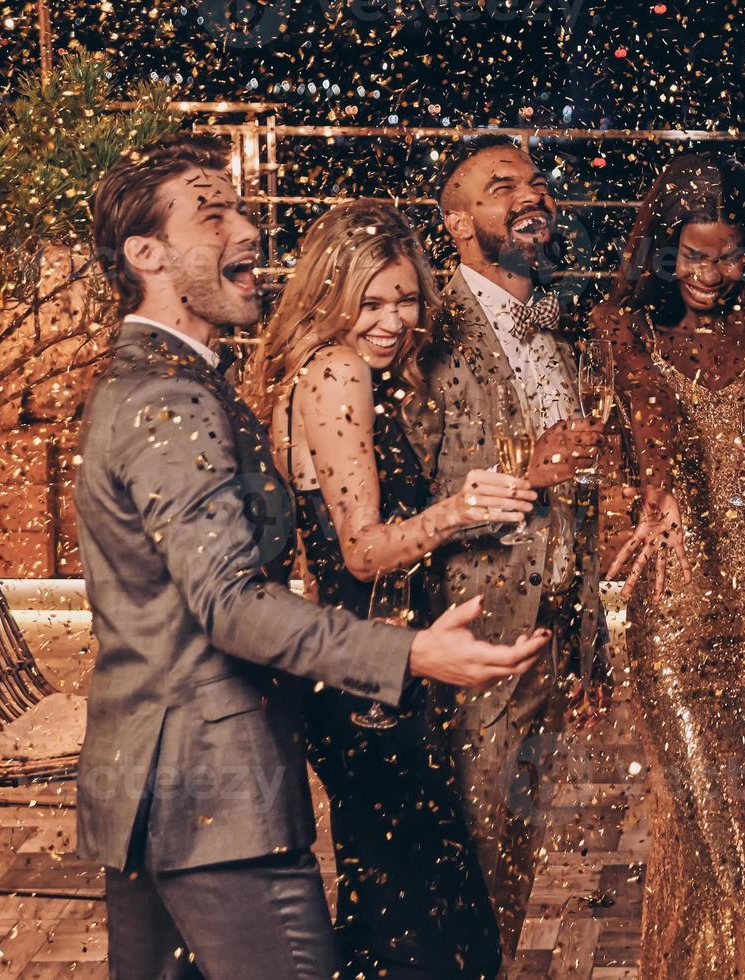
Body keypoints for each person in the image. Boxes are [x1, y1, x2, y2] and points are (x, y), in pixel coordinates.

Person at [77, 134, 546, 979]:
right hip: (211, 792)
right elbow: (229, 604)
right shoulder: (170, 397)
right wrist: (408, 652)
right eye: (210, 212)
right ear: (145, 254)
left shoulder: (168, 380)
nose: (247, 229)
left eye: (240, 205)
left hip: (155, 787)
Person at [249, 198, 533, 976]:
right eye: (369, 301)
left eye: (405, 299)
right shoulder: (337, 372)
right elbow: (365, 551)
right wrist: (458, 510)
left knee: (398, 910)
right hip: (366, 693)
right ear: (328, 296)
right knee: (437, 931)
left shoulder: (320, 370)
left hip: (373, 675)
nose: (391, 320)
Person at [594, 152, 745, 979]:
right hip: (674, 604)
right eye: (694, 255)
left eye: (728, 255)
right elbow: (650, 427)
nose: (711, 273)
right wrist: (659, 487)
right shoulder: (624, 329)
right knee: (703, 823)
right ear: (665, 251)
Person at [412, 132, 609, 974]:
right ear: (458, 222)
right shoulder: (425, 334)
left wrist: (588, 646)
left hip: (546, 644)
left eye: (536, 183)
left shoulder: (558, 331)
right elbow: (405, 487)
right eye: (502, 187)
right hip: (466, 639)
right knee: (464, 863)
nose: (532, 196)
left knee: (515, 855)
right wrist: (523, 470)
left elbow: (581, 501)